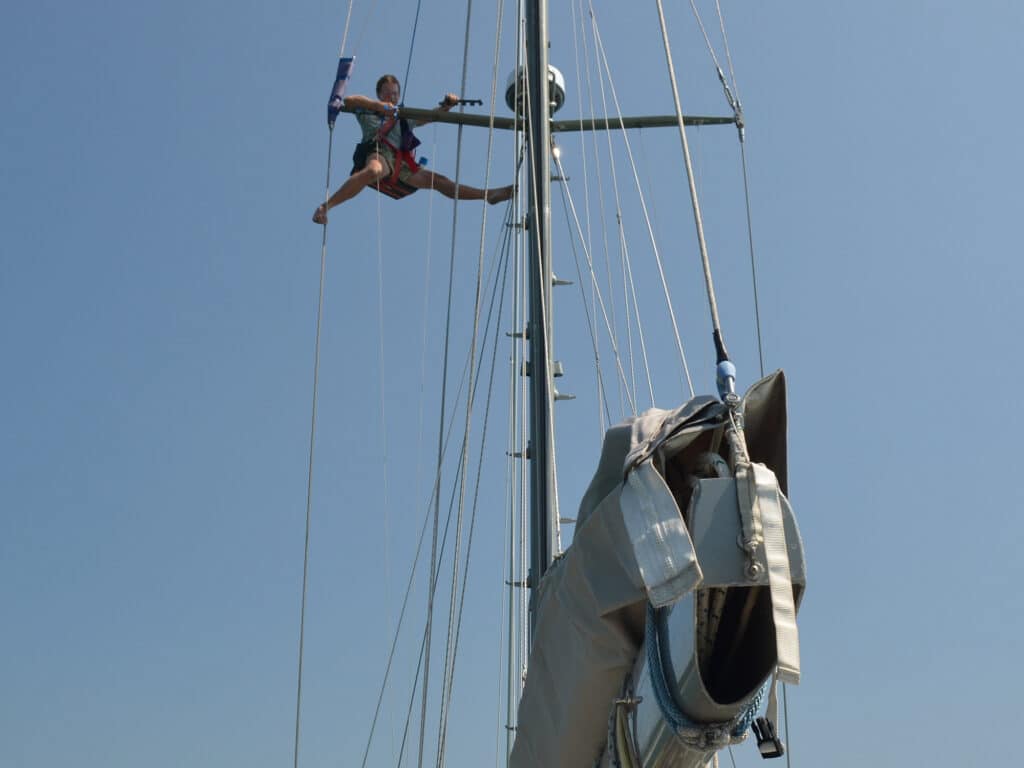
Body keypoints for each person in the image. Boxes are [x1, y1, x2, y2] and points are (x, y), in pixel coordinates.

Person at [313, 74, 514, 223]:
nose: (391, 96)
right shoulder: (368, 112)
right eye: (387, 93)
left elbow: (430, 116)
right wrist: (378, 106)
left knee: (440, 181)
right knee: (374, 170)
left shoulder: (403, 116)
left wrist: (447, 105)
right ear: (379, 94)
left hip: (402, 165)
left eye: (395, 93)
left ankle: (488, 195)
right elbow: (349, 101)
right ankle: (325, 207)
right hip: (379, 151)